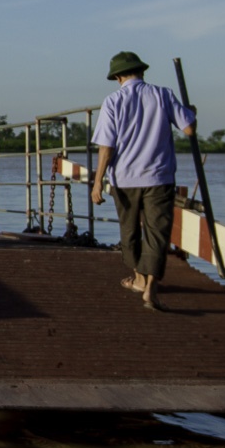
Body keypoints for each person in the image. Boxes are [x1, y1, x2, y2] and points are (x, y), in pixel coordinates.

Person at [89, 51, 196, 312]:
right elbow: (189, 129)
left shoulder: (113, 101)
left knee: (129, 231)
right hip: (159, 177)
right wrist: (190, 112)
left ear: (117, 77)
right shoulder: (164, 94)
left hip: (124, 179)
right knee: (157, 233)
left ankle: (138, 277)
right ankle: (149, 288)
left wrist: (97, 181)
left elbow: (106, 147)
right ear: (142, 72)